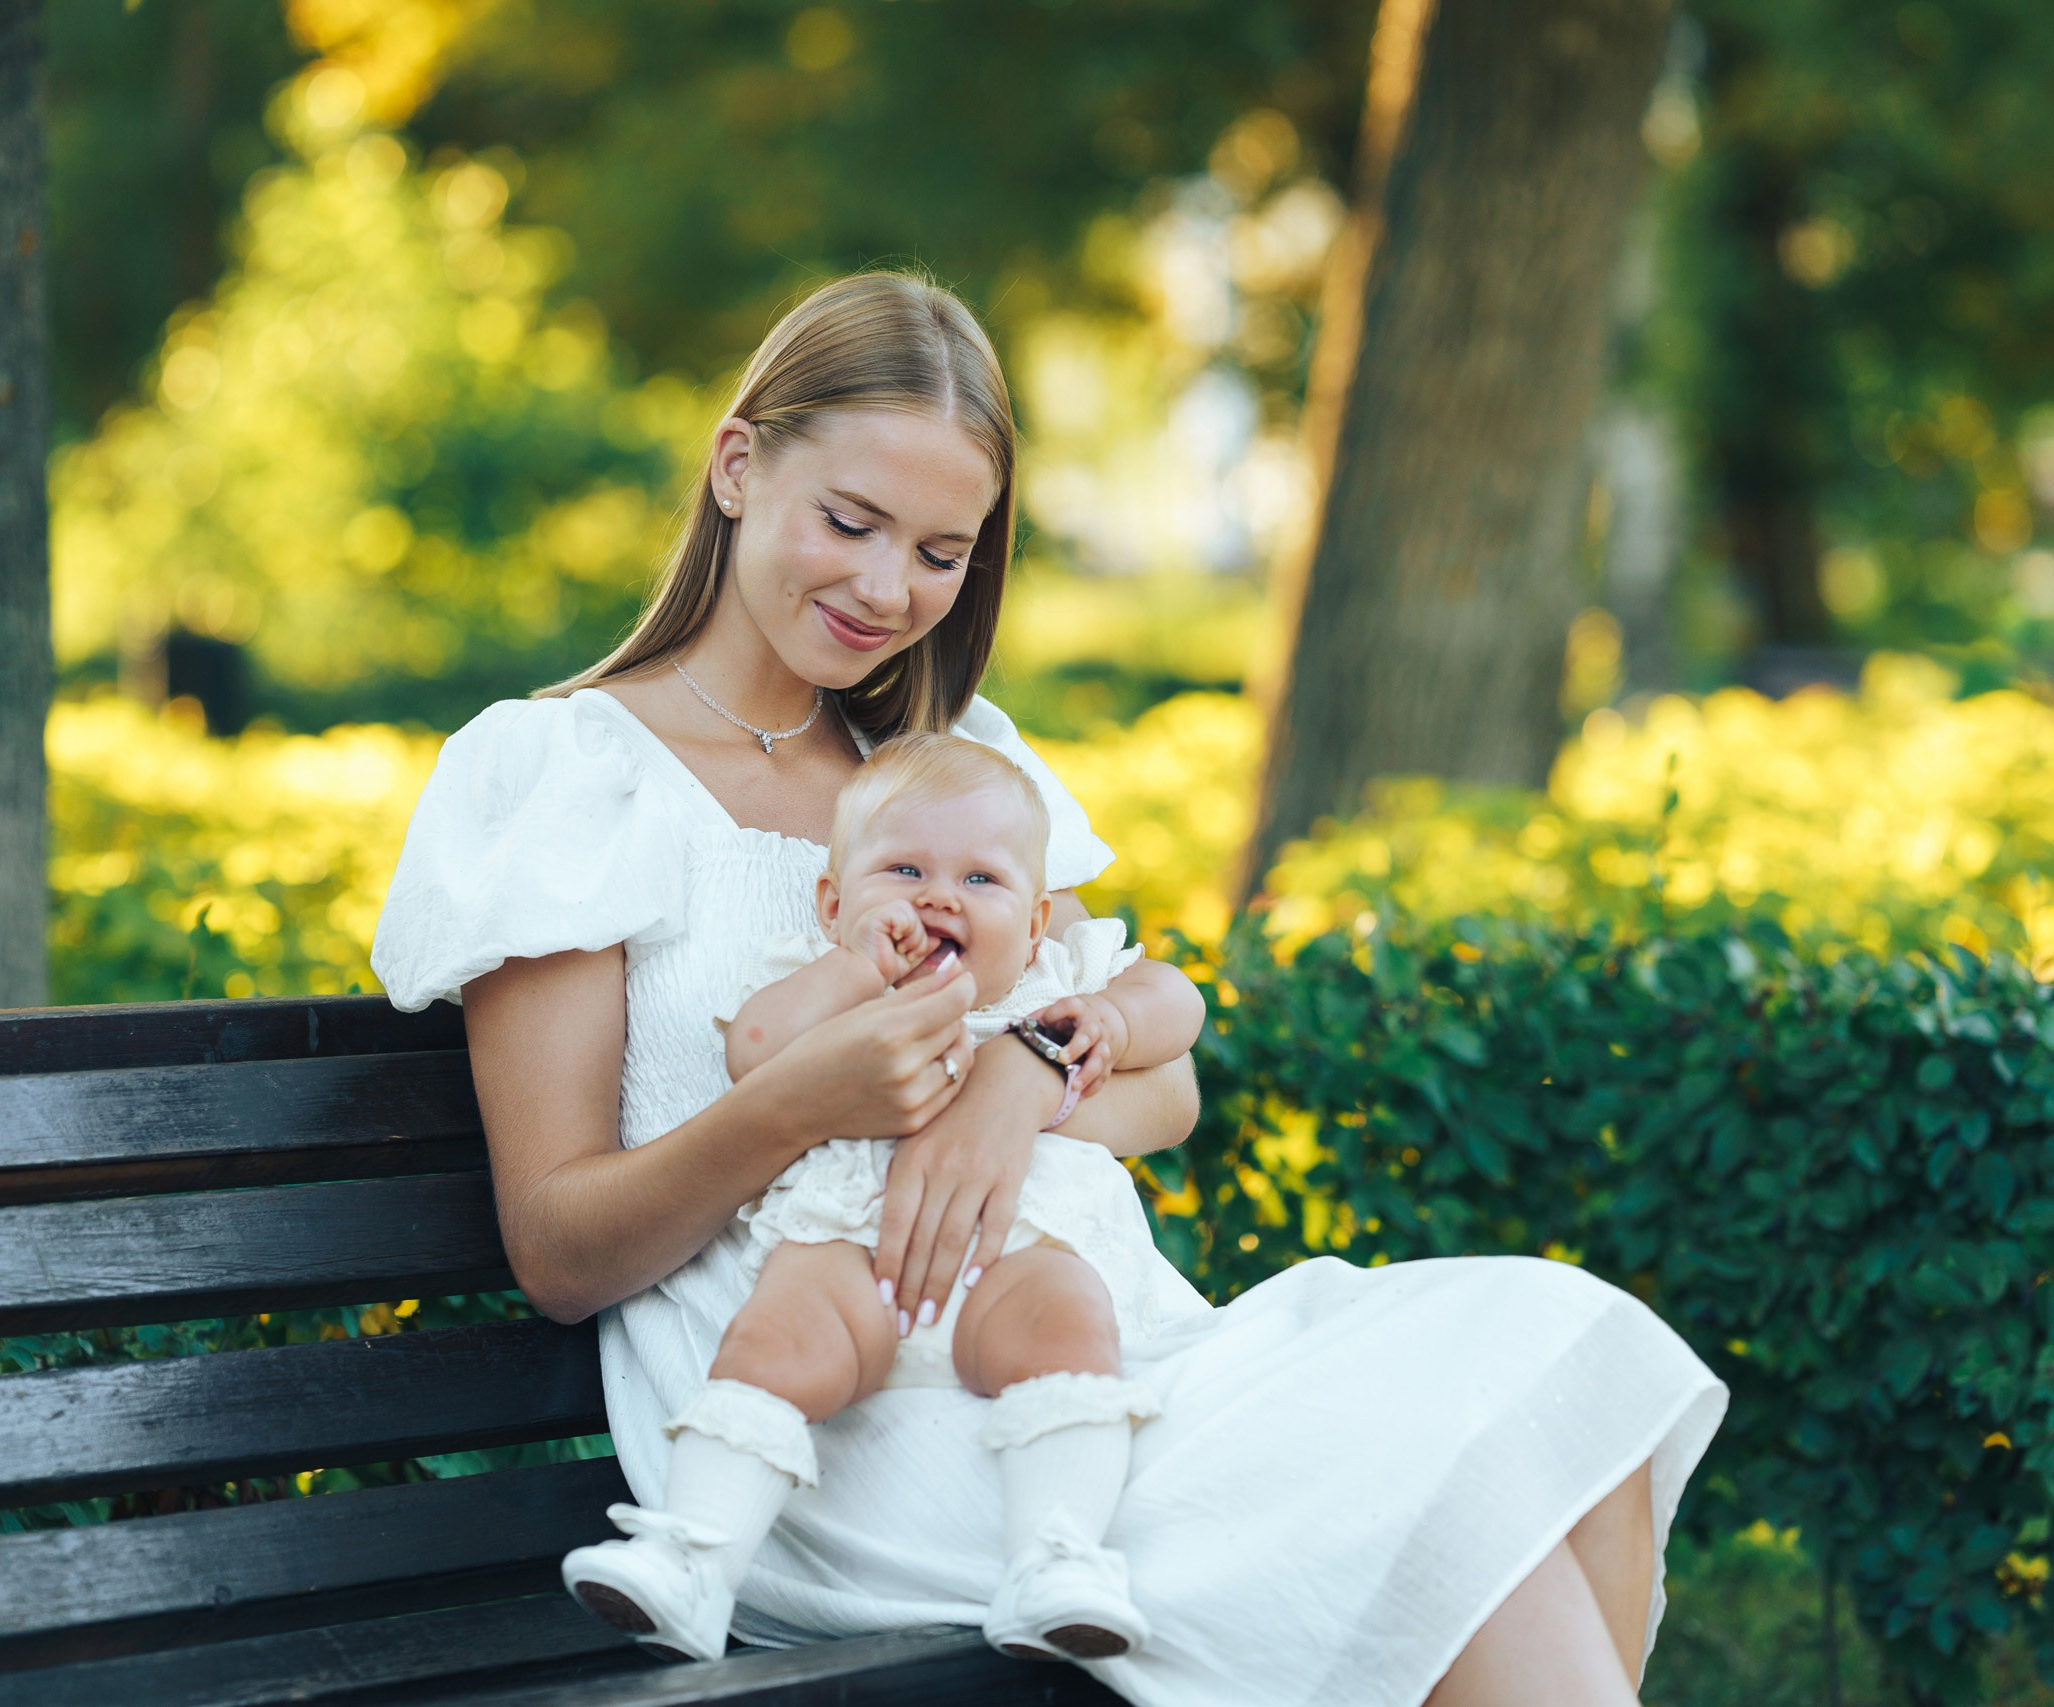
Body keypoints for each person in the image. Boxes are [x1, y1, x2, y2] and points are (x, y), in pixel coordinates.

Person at [372, 269, 1726, 1707]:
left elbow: (1169, 1081)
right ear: (736, 464)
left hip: (1081, 1356)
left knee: (1550, 1351)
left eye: (943, 551)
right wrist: (797, 1103)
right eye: (850, 522)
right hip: (817, 1423)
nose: (890, 588)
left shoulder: (954, 771)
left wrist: (1020, 1077)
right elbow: (562, 1244)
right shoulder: (565, 773)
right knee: (1449, 1506)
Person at [561, 731, 1205, 1663]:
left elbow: (1176, 1002)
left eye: (982, 880)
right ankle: (693, 1555)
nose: (940, 896)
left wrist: (1111, 1016)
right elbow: (754, 1049)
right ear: (833, 903)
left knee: (1070, 1325)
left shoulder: (1049, 989)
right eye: (904, 869)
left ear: (1034, 924)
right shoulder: (820, 981)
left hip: (1013, 1257)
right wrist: (857, 970)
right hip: (848, 1256)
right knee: (774, 1337)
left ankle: (1059, 1556)